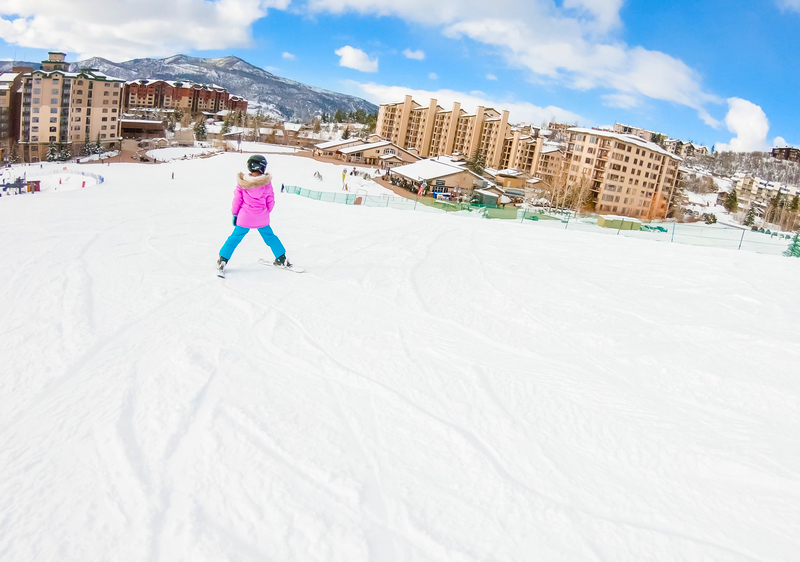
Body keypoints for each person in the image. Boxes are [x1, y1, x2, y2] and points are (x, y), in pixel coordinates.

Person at [216, 155, 291, 275]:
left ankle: (223, 260)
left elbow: (237, 200)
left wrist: (235, 214)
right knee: (270, 237)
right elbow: (270, 200)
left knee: (234, 239)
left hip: (244, 218)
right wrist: (266, 212)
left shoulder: (243, 182)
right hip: (261, 217)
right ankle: (281, 258)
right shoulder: (266, 183)